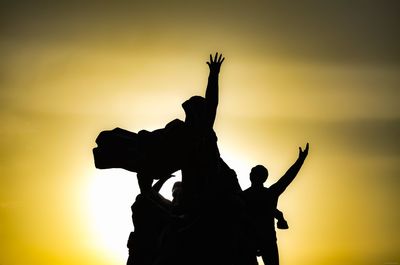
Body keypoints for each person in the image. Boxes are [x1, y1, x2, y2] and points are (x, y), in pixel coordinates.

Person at [242, 143, 309, 265]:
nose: (251, 174)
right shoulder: (269, 193)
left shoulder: (245, 196)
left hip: (255, 240)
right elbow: (287, 179)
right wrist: (300, 161)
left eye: (253, 173)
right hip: (261, 240)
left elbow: (287, 178)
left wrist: (300, 161)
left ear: (254, 176)